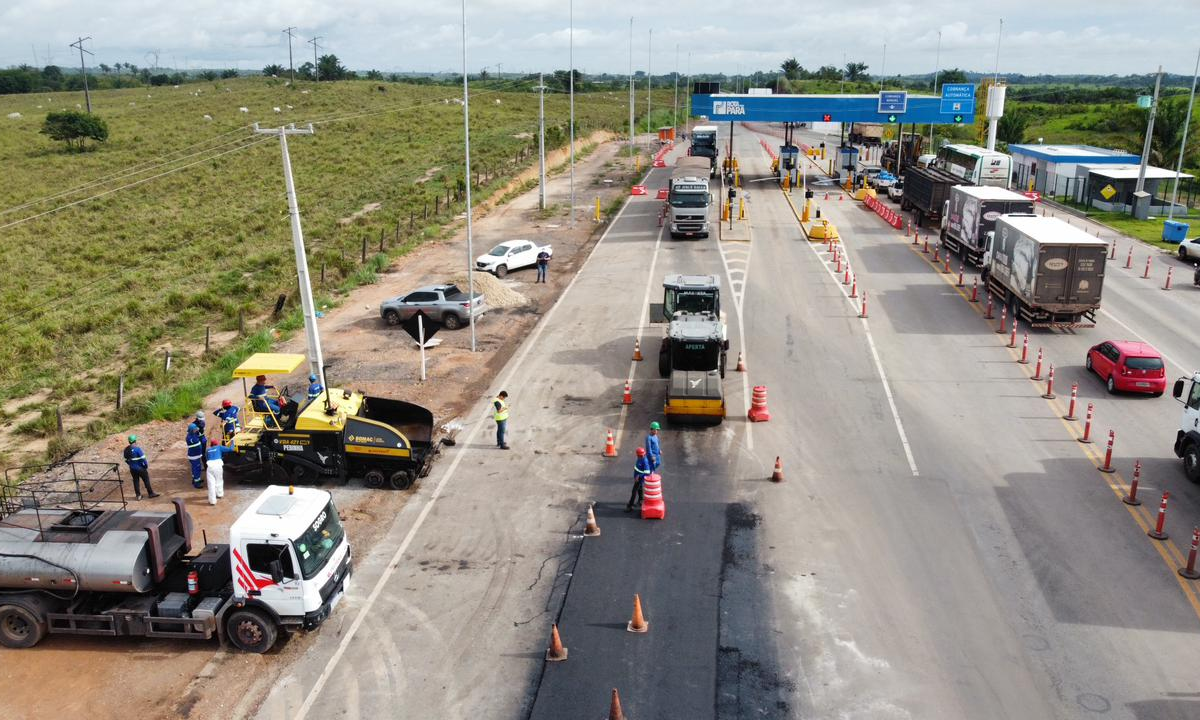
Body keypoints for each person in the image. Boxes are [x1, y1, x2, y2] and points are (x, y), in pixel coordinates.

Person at [122, 435, 159, 500]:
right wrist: (145, 466)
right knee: (146, 480)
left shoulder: (126, 449)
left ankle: (138, 496)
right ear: (135, 441)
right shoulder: (137, 449)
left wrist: (130, 464)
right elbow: (143, 459)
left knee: (136, 481)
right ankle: (150, 493)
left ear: (129, 441)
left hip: (132, 469)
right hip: (140, 468)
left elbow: (126, 458)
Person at [204, 439, 235, 505]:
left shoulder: (207, 450)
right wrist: (233, 442)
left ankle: (212, 501)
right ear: (217, 444)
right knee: (219, 480)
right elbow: (231, 449)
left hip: (210, 467)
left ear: (211, 444)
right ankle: (220, 494)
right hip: (218, 466)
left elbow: (207, 458)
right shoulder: (219, 447)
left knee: (211, 484)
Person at [625, 447, 653, 513]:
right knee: (639, 489)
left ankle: (630, 506)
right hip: (637, 478)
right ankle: (640, 500)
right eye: (640, 455)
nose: (641, 456)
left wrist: (639, 476)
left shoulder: (644, 461)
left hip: (640, 479)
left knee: (634, 491)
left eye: (642, 455)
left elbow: (647, 472)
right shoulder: (639, 458)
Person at [185, 422, 205, 489]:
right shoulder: (190, 438)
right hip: (194, 456)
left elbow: (198, 435)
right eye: (195, 429)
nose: (196, 430)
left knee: (194, 468)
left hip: (195, 455)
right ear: (192, 430)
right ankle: (197, 483)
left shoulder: (192, 434)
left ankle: (195, 480)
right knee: (197, 469)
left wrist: (198, 431)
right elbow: (197, 439)